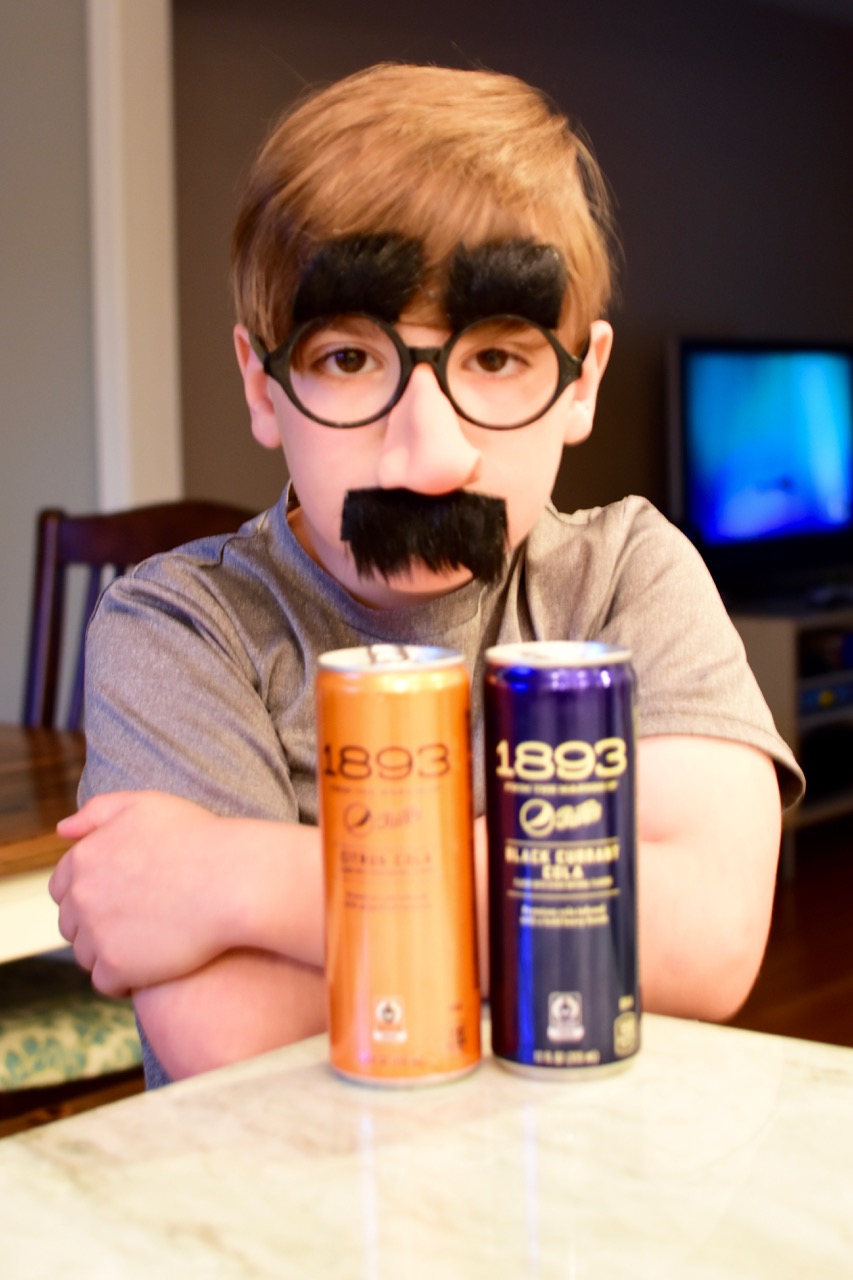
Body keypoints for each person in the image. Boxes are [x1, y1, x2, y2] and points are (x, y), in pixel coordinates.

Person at [49, 63, 803, 1089]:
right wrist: (568, 927)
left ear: (580, 382)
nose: (429, 456)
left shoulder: (630, 576)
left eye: (494, 359)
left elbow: (704, 936)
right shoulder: (180, 627)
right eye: (349, 360)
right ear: (262, 387)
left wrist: (238, 879)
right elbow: (237, 1039)